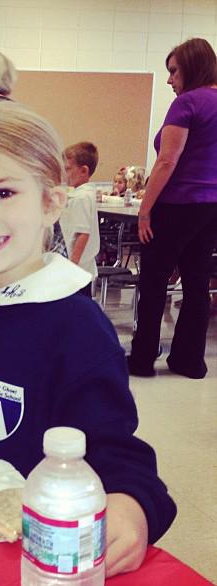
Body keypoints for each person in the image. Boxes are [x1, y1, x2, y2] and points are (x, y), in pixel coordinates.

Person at [0, 100, 176, 577]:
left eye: (3, 192)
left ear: (52, 203)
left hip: (31, 561)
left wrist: (132, 509)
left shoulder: (78, 329)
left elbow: (118, 454)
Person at [128, 38, 217, 378]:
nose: (169, 80)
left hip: (176, 204)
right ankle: (189, 361)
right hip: (210, 208)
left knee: (153, 281)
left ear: (192, 68)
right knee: (196, 283)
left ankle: (142, 360)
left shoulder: (187, 103)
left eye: (174, 71)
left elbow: (167, 161)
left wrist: (145, 210)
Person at [59, 142, 100, 297]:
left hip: (78, 268)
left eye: (68, 169)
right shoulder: (83, 195)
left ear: (84, 171)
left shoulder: (81, 198)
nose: (65, 174)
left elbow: (83, 234)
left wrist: (72, 265)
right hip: (83, 267)